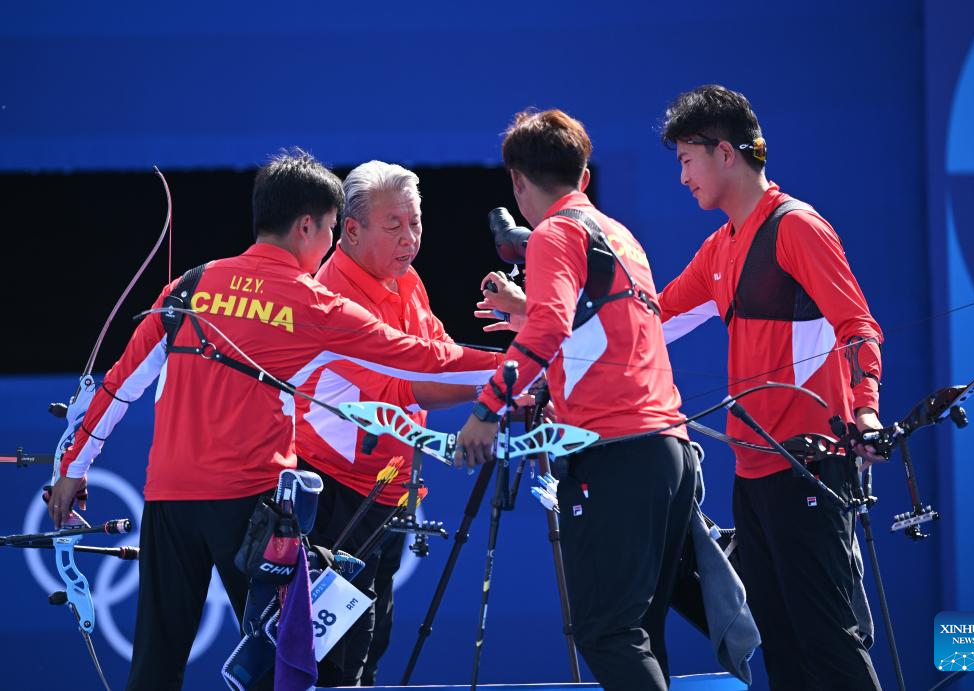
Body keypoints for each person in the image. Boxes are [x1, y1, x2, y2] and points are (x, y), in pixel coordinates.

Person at [47, 149, 502, 691]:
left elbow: (118, 386)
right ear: (306, 226)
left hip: (168, 503)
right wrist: (522, 365)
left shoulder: (190, 285)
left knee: (154, 669)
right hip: (251, 508)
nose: (331, 244)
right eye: (330, 229)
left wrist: (72, 470)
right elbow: (423, 359)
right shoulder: (312, 302)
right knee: (279, 670)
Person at [457, 109, 698, 691]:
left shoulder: (555, 233)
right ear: (583, 176)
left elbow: (548, 330)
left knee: (606, 634)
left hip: (616, 453)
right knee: (637, 632)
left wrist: (486, 411)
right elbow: (598, 330)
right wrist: (527, 311)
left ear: (517, 181)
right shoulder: (618, 234)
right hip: (667, 450)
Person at [657, 84, 884, 690]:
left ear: (725, 153)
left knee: (827, 640)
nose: (683, 177)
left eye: (687, 160)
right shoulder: (720, 247)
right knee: (781, 650)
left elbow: (859, 328)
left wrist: (865, 411)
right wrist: (543, 319)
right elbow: (649, 319)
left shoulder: (797, 227)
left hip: (810, 466)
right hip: (753, 475)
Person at [294, 160, 479, 686]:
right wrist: (509, 378)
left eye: (415, 222)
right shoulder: (331, 299)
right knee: (336, 657)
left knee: (372, 643)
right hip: (335, 493)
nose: (410, 238)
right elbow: (406, 385)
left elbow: (440, 350)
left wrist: (513, 373)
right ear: (351, 230)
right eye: (394, 225)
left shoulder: (405, 278)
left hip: (389, 488)